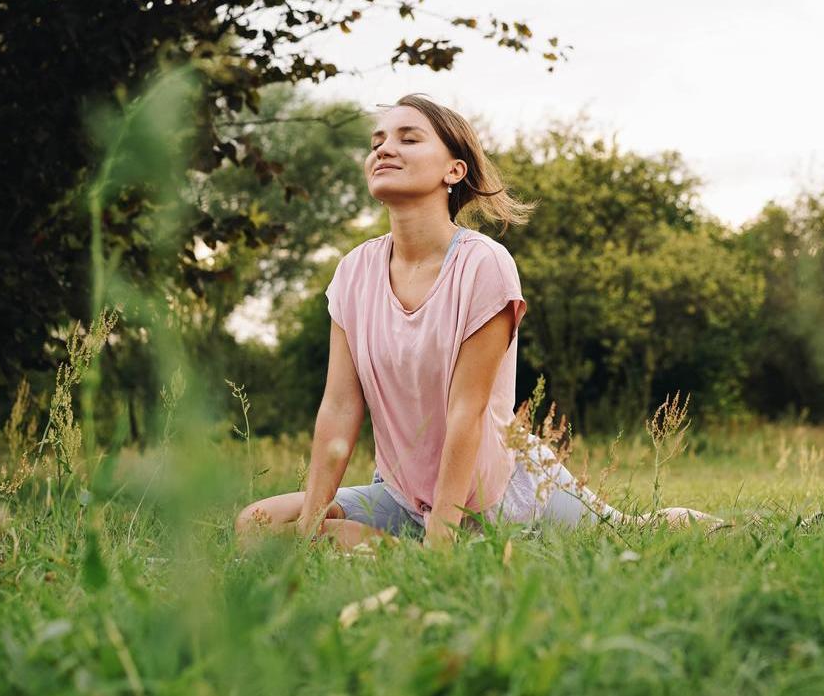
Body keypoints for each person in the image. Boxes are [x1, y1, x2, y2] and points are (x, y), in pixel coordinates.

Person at [234, 94, 719, 550]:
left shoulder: (484, 264)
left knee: (637, 534)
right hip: (406, 497)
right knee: (256, 524)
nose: (384, 148)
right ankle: (401, 548)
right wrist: (311, 526)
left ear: (454, 169)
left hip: (501, 493)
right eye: (377, 141)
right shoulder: (353, 273)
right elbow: (339, 407)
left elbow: (466, 411)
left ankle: (741, 529)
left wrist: (439, 546)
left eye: (408, 137)